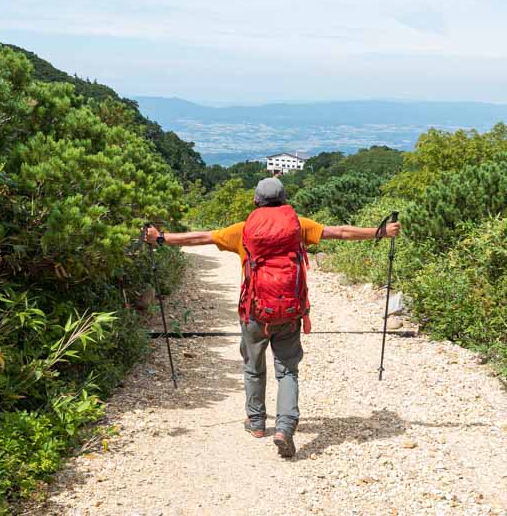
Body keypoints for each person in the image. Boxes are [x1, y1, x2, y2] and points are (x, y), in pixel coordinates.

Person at [146, 177, 400, 457]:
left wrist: (159, 238)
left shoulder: (243, 230)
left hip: (254, 313)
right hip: (290, 313)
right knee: (288, 371)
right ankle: (285, 427)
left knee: (253, 367)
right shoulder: (298, 226)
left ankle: (256, 422)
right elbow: (339, 232)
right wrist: (381, 232)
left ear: (256, 201)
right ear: (285, 200)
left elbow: (200, 237)